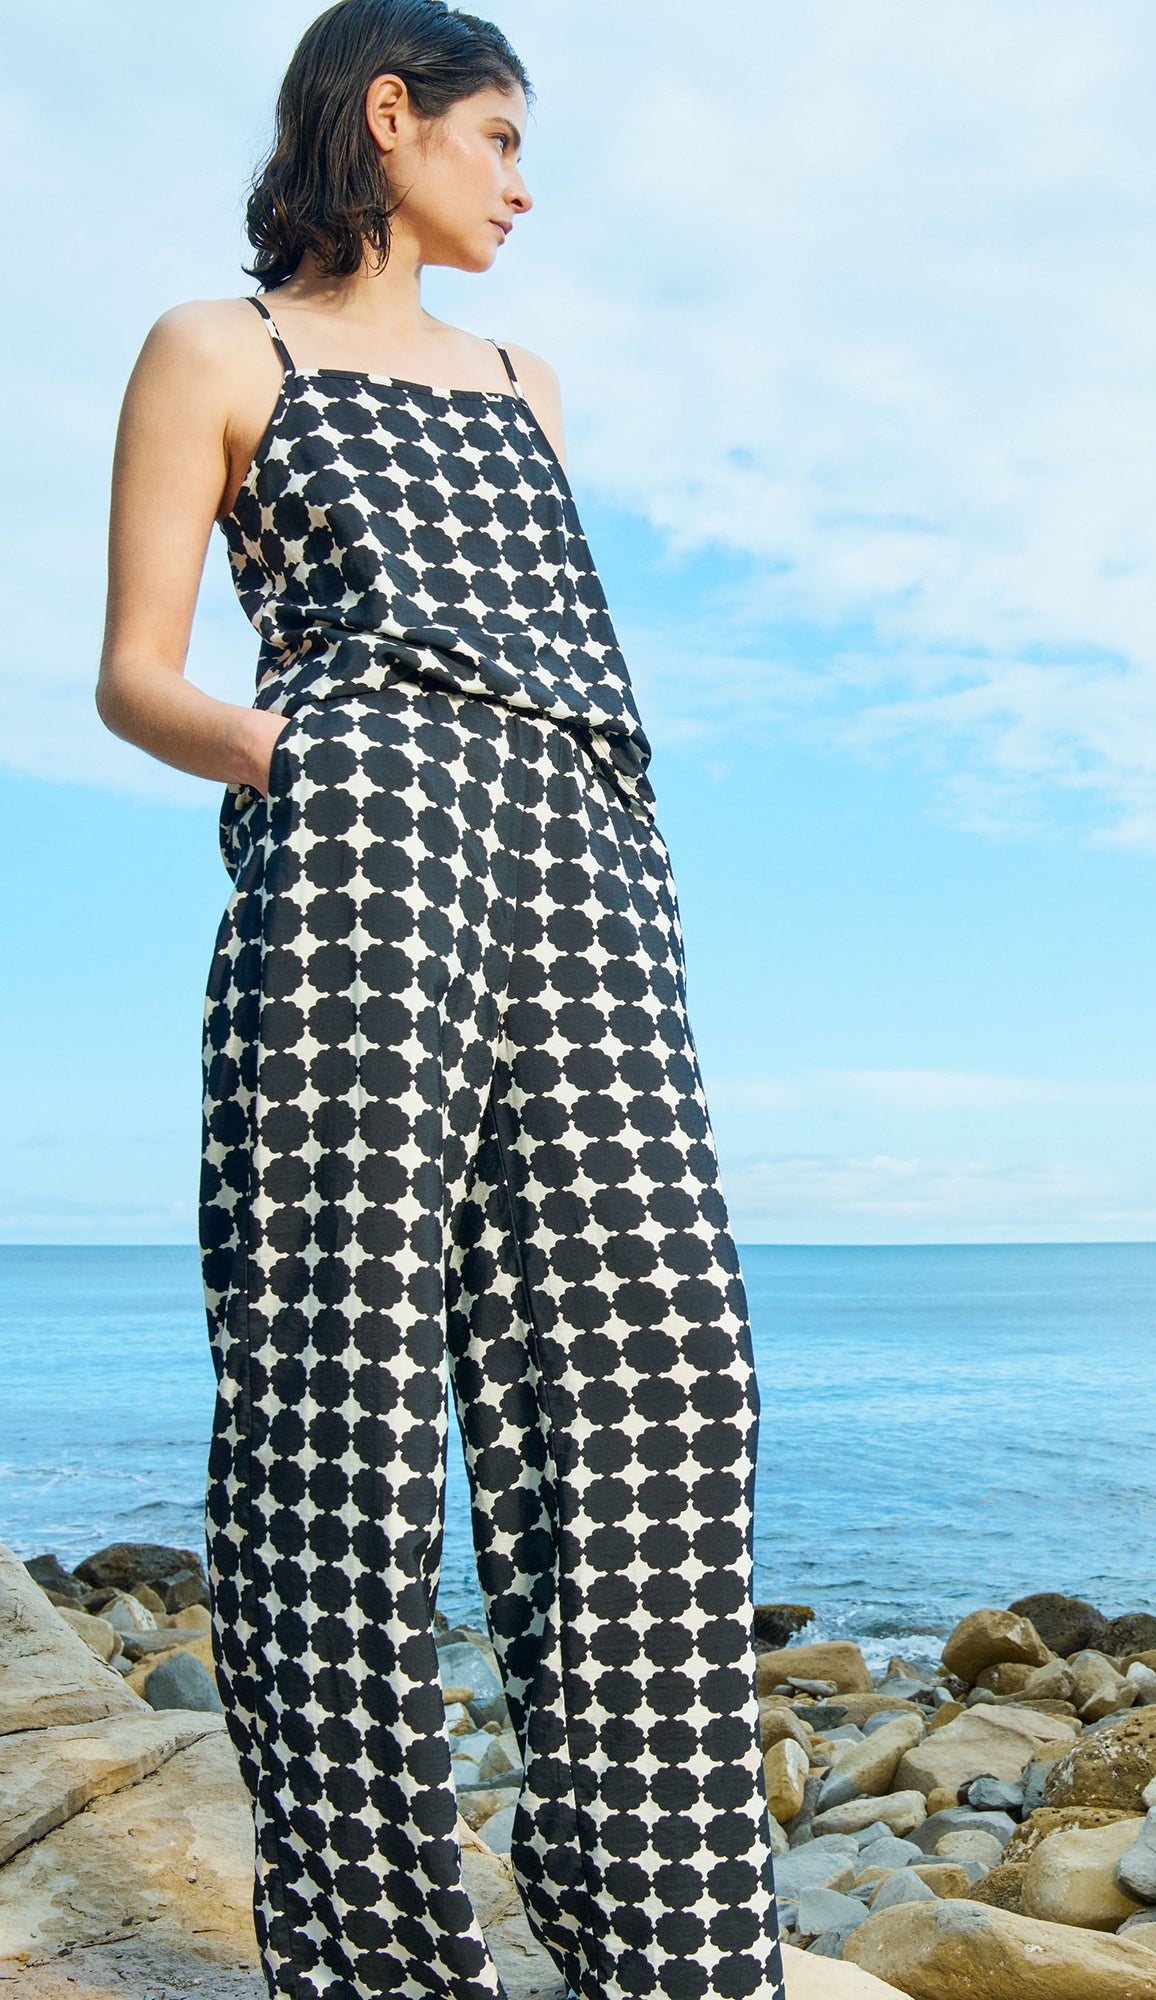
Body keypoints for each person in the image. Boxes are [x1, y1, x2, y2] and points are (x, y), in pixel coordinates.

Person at [96, 6, 788, 1999]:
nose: (521, 179)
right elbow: (135, 670)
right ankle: (382, 1950)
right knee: (345, 1396)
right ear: (383, 119)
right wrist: (297, 762)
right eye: (494, 136)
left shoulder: (520, 380)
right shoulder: (220, 349)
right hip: (358, 838)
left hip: (584, 837)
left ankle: (652, 1913)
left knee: (661, 1358)